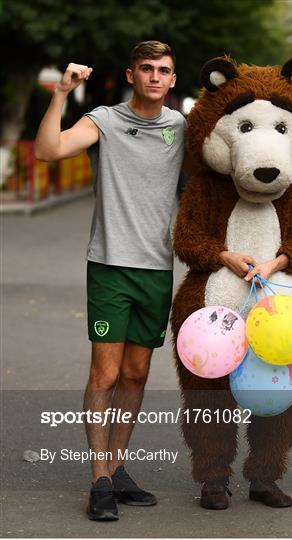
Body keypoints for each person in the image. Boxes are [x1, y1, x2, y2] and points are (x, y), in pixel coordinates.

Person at [34, 41, 185, 521]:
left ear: (173, 80)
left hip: (157, 269)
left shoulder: (180, 127)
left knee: (137, 374)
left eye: (163, 70)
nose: (155, 77)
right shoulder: (106, 119)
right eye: (147, 69)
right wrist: (61, 93)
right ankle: (99, 477)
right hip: (110, 266)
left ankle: (118, 467)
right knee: (105, 373)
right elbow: (46, 151)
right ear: (131, 74)